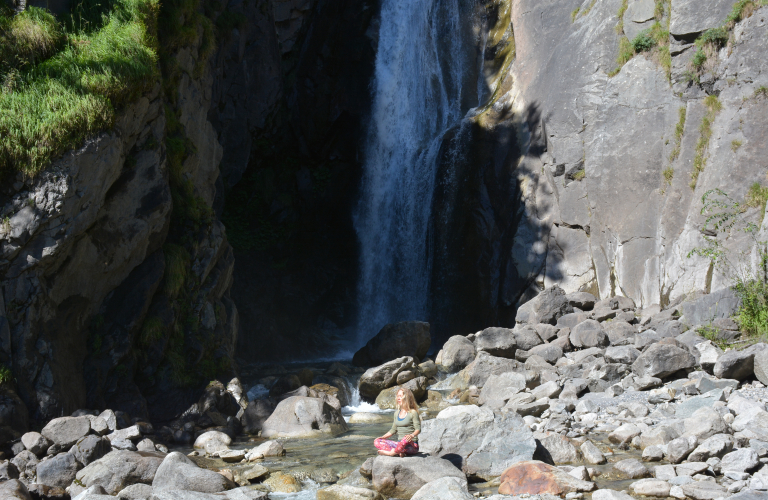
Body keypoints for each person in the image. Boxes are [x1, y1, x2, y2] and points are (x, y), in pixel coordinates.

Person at [374, 386, 421, 457]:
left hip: (412, 445)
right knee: (377, 441)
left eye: (400, 396)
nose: (398, 398)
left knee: (405, 439)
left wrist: (411, 435)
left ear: (406, 398)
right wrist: (382, 437)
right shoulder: (396, 413)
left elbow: (418, 429)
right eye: (397, 396)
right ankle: (400, 452)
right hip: (399, 444)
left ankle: (391, 453)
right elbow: (393, 430)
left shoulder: (413, 413)